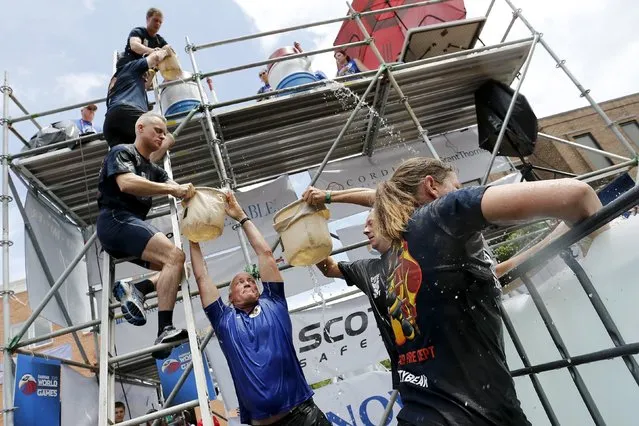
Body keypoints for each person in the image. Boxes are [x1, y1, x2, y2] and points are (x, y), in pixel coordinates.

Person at [372, 157, 605, 426]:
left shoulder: (399, 255)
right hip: (476, 417)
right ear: (432, 187)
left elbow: (493, 277)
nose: (460, 192)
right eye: (456, 186)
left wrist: (562, 235)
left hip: (423, 417)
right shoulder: (443, 213)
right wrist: (609, 246)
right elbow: (578, 194)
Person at [189, 191, 330, 426]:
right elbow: (201, 276)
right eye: (239, 282)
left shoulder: (274, 303)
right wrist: (192, 233)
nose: (247, 282)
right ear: (230, 298)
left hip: (304, 417)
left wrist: (240, 216)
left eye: (251, 281)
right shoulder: (223, 320)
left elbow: (265, 253)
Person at [96, 111, 196, 359]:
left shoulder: (155, 170)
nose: (162, 136)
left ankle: (137, 288)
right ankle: (165, 329)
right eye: (157, 131)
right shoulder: (122, 152)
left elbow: (177, 188)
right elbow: (127, 184)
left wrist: (192, 195)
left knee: (178, 269)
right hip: (115, 220)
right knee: (175, 255)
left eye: (165, 133)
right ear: (140, 128)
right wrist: (172, 189)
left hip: (127, 229)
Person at [104, 45, 176, 162]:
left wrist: (155, 69)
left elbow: (145, 83)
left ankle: (136, 170)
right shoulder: (132, 67)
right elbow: (156, 57)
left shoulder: (119, 80)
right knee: (163, 136)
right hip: (128, 112)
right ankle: (149, 161)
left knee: (130, 159)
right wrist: (164, 51)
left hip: (111, 124)